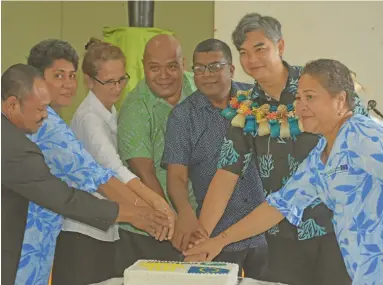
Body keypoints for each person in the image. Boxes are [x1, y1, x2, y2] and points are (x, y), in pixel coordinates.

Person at [188, 13, 367, 285]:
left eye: (260, 48)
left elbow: (362, 133)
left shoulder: (319, 86)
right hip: (281, 233)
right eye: (244, 53)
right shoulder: (246, 109)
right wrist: (203, 238)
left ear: (280, 46)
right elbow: (226, 174)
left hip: (339, 230)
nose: (252, 60)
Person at [23, 39, 175, 285]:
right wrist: (152, 210)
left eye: (70, 76)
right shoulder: (60, 122)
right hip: (56, 233)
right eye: (58, 76)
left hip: (64, 231)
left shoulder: (57, 117)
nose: (67, 84)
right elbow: (102, 174)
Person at [1, 64, 137, 285]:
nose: (45, 116)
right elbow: (64, 198)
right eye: (40, 109)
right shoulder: (16, 148)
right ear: (12, 105)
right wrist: (131, 214)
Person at [162, 38, 267, 279]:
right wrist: (185, 214)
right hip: (214, 236)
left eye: (215, 67)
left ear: (231, 69)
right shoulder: (182, 117)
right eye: (199, 69)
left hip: (266, 231)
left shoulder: (257, 102)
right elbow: (176, 177)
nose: (207, 75)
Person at [115, 34, 197, 272]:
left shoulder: (199, 90)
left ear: (183, 64)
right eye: (154, 68)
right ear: (143, 67)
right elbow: (145, 174)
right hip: (152, 230)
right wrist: (175, 224)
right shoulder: (135, 108)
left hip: (197, 225)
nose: (163, 76)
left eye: (172, 66)